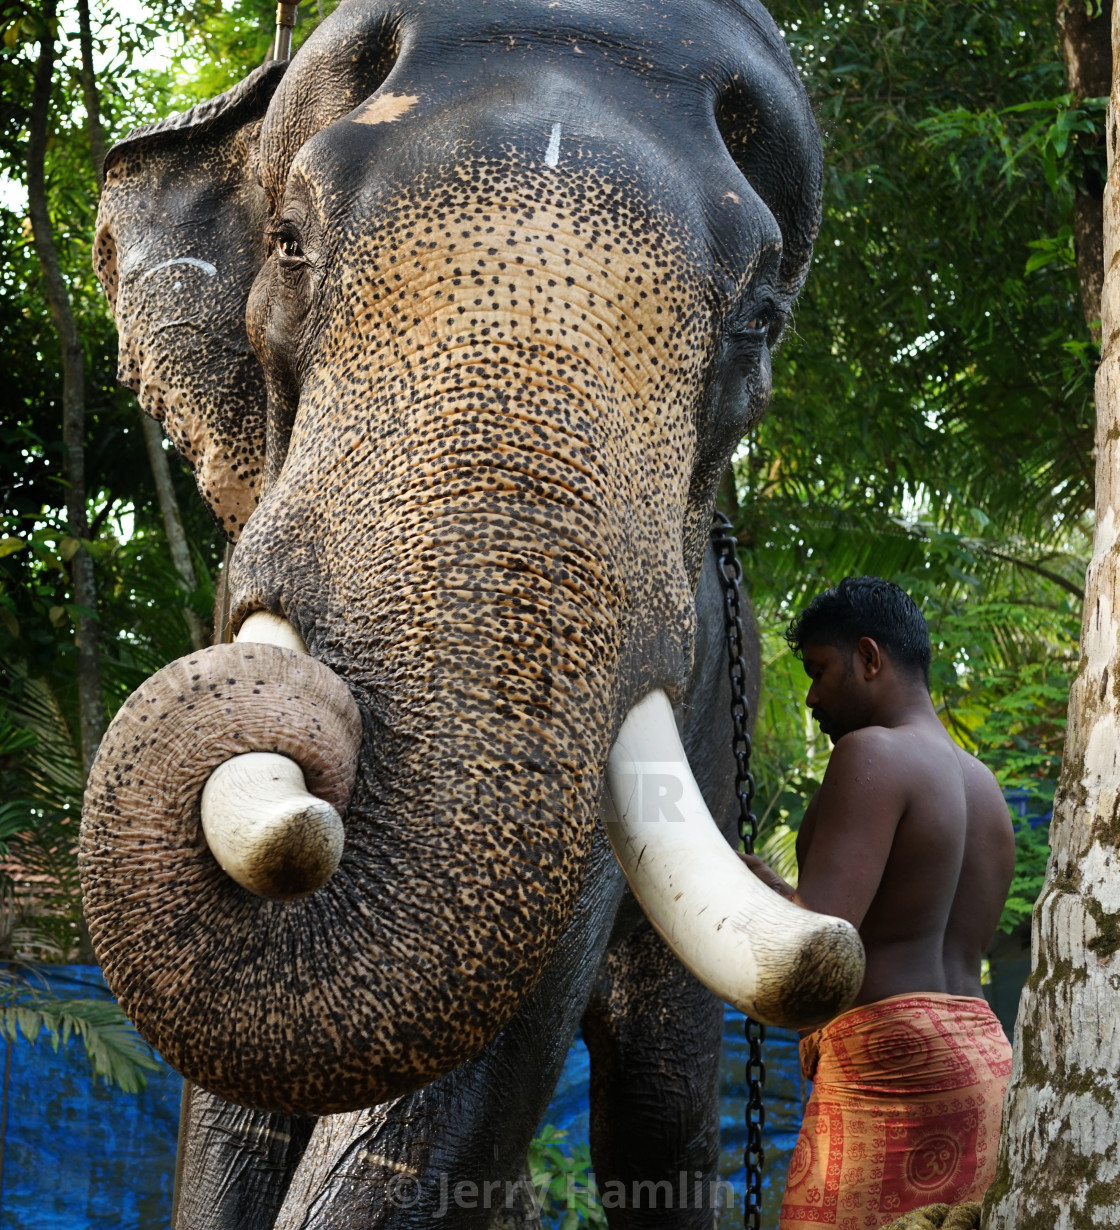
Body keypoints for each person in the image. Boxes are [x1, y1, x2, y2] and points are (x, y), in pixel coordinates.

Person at [741, 576, 1016, 1230]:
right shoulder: (984, 786)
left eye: (818, 670)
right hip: (982, 1063)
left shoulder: (871, 754)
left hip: (888, 1075)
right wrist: (780, 892)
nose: (810, 695)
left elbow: (811, 957)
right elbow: (890, 925)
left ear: (869, 658)